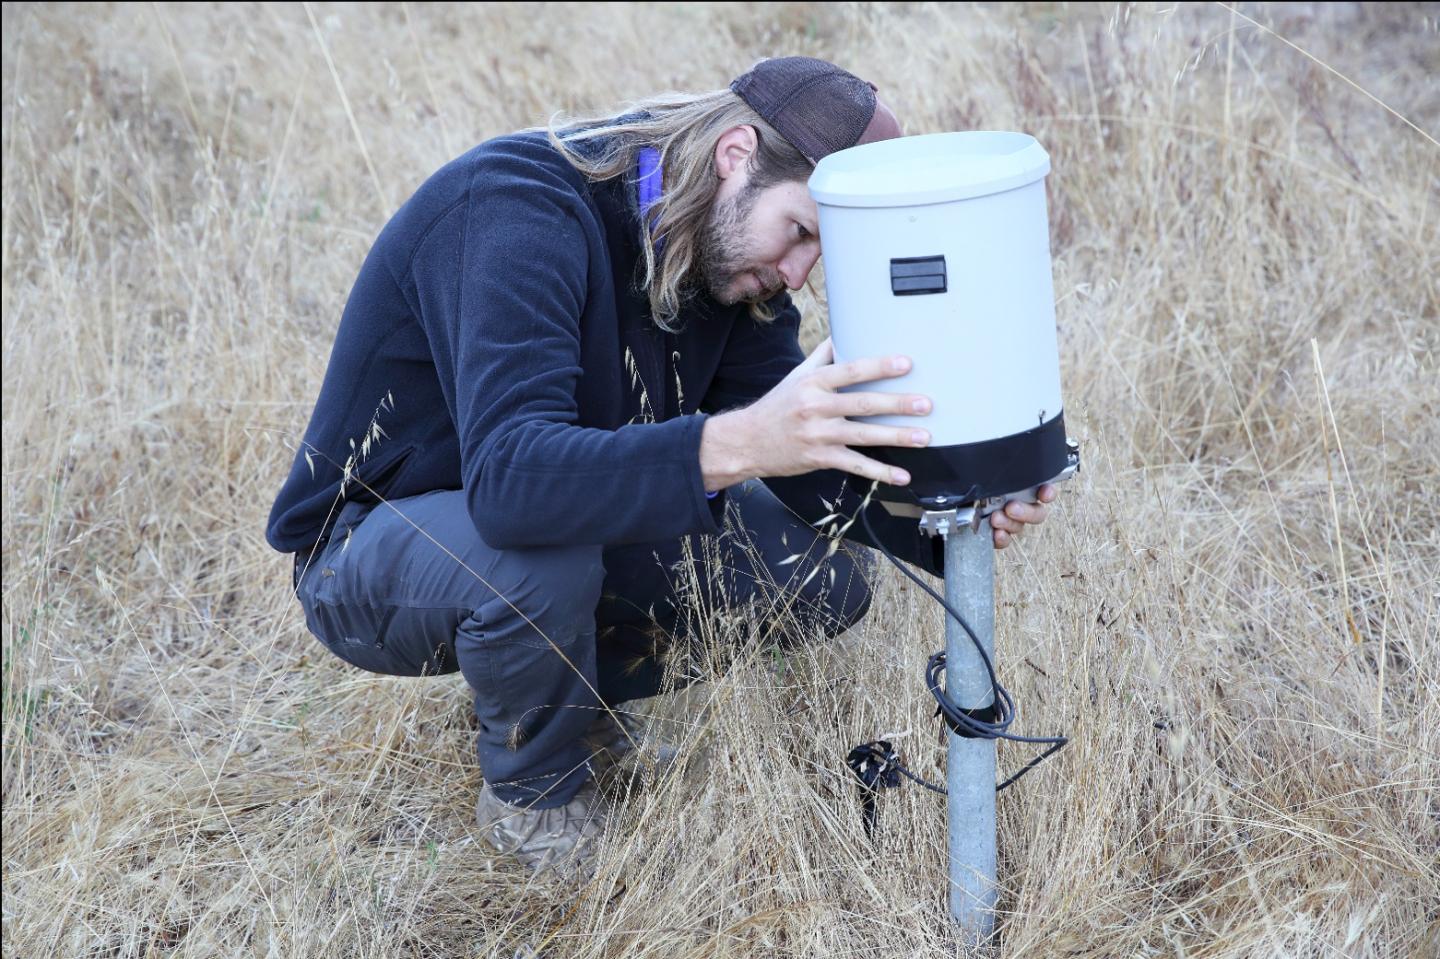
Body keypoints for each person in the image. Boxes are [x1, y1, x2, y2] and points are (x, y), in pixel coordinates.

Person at [267, 56, 1055, 880]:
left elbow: (811, 469)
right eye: (800, 233)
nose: (797, 274)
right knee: (538, 555)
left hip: (533, 527)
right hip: (368, 551)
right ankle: (534, 796)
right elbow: (509, 485)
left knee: (819, 571)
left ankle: (571, 699)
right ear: (736, 154)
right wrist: (740, 442)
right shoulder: (516, 209)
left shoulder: (725, 261)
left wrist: (950, 516)